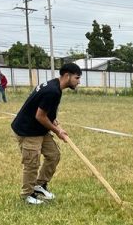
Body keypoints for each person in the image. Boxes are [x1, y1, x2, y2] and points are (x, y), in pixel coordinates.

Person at [11, 63, 82, 205]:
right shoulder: (52, 91)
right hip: (28, 130)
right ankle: (27, 195)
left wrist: (56, 123)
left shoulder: (55, 87)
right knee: (32, 162)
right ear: (67, 76)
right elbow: (40, 116)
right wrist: (58, 131)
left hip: (40, 130)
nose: (79, 81)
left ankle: (39, 185)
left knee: (54, 155)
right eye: (77, 78)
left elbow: (46, 112)